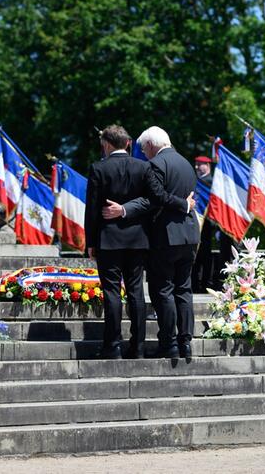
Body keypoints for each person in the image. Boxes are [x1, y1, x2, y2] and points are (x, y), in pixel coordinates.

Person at [103, 126, 198, 361]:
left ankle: (169, 343)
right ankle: (186, 341)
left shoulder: (156, 165)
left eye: (144, 149)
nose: (143, 154)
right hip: (190, 235)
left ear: (152, 145)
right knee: (184, 289)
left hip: (165, 236)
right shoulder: (186, 163)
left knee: (162, 289)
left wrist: (124, 210)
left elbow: (151, 201)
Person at [84, 125, 150, 359]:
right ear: (127, 143)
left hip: (108, 239)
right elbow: (151, 201)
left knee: (112, 292)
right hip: (138, 239)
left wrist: (90, 241)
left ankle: (112, 346)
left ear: (108, 145)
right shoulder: (143, 167)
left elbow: (92, 209)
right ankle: (138, 346)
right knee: (136, 292)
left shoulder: (98, 168)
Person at [191, 155, 215, 292]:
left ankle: (206, 284)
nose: (197, 167)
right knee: (195, 255)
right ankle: (195, 284)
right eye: (196, 164)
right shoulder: (195, 181)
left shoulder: (211, 182)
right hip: (195, 222)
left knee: (205, 255)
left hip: (207, 224)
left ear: (208, 166)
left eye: (200, 164)